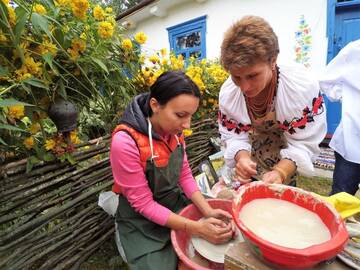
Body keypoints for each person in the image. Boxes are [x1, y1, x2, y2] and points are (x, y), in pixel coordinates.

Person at [110, 71, 234, 270]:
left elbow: (184, 175)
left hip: (172, 202)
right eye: (180, 115)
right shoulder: (125, 142)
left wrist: (207, 210)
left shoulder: (175, 132)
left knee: (211, 246)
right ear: (155, 105)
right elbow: (143, 204)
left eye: (190, 116)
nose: (187, 125)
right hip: (140, 220)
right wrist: (196, 228)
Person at [218, 15, 327, 185]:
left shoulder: (300, 88)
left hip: (285, 153)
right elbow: (233, 135)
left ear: (273, 61)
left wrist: (281, 171)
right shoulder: (229, 93)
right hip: (252, 155)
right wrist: (242, 157)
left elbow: (304, 142)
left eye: (252, 75)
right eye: (236, 77)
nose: (244, 87)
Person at [319, 39, 360, 195]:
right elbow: (325, 80)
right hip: (352, 141)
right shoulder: (355, 50)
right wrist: (345, 97)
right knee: (340, 197)